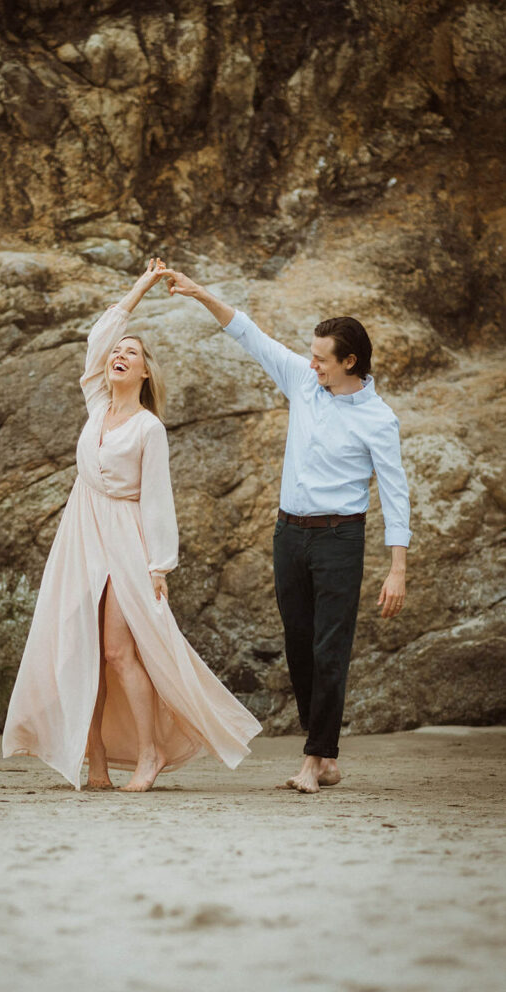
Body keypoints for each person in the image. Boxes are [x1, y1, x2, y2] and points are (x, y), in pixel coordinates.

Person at [2, 259, 262, 792]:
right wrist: (142, 285)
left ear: (145, 374)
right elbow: (100, 336)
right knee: (83, 649)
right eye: (119, 353)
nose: (120, 355)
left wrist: (159, 565)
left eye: (132, 355)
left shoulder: (149, 428)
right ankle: (94, 764)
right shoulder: (96, 405)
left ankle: (150, 753)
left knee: (120, 651)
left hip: (124, 541)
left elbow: (158, 501)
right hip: (80, 534)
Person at [163, 269, 411, 793]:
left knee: (330, 648)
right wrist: (200, 293)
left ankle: (313, 759)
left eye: (322, 356)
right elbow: (251, 335)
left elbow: (395, 493)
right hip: (288, 536)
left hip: (340, 539)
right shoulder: (304, 381)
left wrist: (397, 569)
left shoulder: (379, 420)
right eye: (312, 354)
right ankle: (326, 756)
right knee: (299, 647)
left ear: (350, 362)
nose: (312, 362)